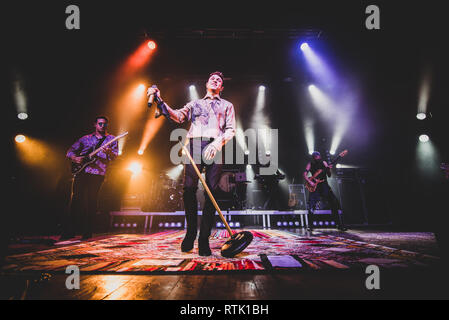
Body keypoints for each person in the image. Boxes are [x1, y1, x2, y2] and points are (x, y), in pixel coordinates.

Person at [147, 71, 236, 256]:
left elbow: (231, 129)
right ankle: (190, 233)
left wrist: (217, 143)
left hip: (215, 145)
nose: (216, 80)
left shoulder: (227, 105)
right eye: (213, 78)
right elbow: (178, 116)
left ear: (222, 87)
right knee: (188, 189)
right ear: (206, 83)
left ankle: (204, 239)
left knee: (211, 192)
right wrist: (160, 101)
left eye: (219, 80)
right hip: (194, 144)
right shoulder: (195, 103)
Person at [60, 116, 118, 240]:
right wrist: (75, 158)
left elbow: (114, 157)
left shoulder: (111, 139)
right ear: (95, 125)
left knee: (92, 201)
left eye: (105, 124)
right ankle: (70, 231)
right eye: (100, 124)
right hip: (82, 171)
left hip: (98, 174)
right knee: (75, 200)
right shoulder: (85, 138)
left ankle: (88, 231)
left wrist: (108, 152)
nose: (102, 126)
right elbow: (70, 151)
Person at [303, 151, 346, 231]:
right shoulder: (310, 164)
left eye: (317, 156)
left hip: (324, 185)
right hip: (315, 186)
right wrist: (310, 182)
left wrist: (329, 169)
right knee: (311, 205)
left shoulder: (324, 163)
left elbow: (329, 175)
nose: (316, 157)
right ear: (313, 157)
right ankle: (310, 225)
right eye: (315, 156)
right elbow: (304, 175)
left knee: (334, 203)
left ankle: (339, 224)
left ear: (319, 156)